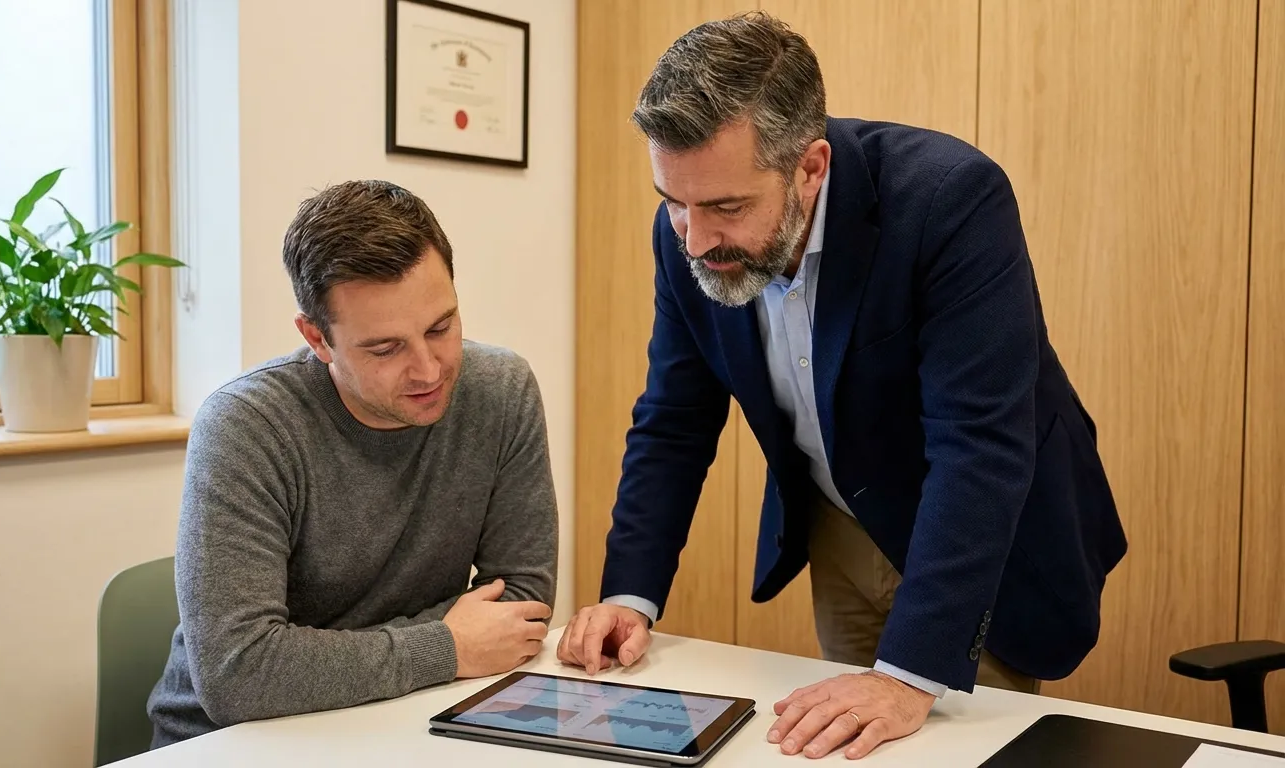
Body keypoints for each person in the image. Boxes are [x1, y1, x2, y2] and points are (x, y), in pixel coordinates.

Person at [559, 11, 1127, 760]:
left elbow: (981, 444)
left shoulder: (950, 199)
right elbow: (674, 417)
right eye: (673, 200)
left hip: (970, 534)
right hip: (838, 524)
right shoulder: (687, 230)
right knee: (845, 745)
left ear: (810, 166)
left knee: (950, 746)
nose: (694, 237)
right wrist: (629, 595)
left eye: (727, 207)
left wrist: (909, 674)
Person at [147, 180, 559, 747]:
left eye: (441, 327)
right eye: (385, 349)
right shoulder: (246, 426)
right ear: (317, 338)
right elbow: (237, 674)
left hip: (408, 718)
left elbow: (521, 605)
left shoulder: (502, 391)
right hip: (233, 743)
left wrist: (314, 658)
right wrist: (448, 643)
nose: (429, 369)